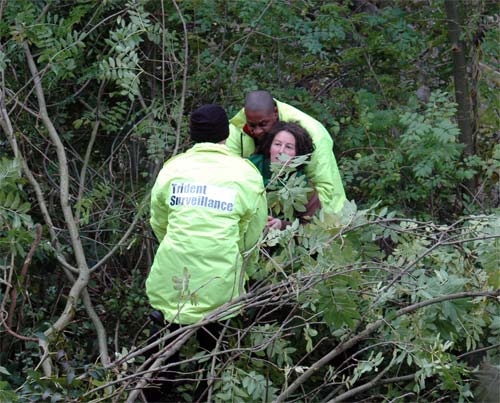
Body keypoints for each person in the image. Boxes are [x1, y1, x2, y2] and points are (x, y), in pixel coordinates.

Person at [147, 104, 267, 326]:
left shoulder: (172, 169)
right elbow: (253, 234)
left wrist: (184, 246)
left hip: (169, 282)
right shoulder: (246, 174)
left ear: (192, 134)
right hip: (221, 288)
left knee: (164, 348)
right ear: (228, 132)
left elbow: (159, 222)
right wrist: (242, 266)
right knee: (213, 349)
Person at [226, 90, 347, 213]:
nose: (257, 131)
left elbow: (326, 190)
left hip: (314, 215)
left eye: (263, 124)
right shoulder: (236, 129)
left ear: (275, 113)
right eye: (252, 126)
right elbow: (228, 180)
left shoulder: (314, 133)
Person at [249, 121, 321, 230]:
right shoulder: (248, 168)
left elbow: (310, 228)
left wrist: (282, 226)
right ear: (270, 147)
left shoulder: (305, 188)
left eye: (289, 147)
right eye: (277, 144)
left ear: (298, 154)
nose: (281, 151)